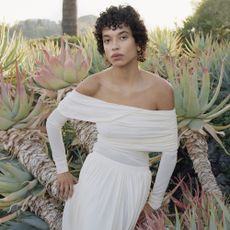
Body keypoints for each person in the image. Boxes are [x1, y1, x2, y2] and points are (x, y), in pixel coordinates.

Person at [46, 4, 178, 230]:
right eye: (107, 40)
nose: (114, 46)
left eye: (122, 37)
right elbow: (53, 122)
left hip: (134, 180)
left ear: (138, 42)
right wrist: (62, 170)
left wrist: (154, 202)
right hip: (96, 174)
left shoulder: (161, 90)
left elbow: (169, 152)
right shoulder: (95, 84)